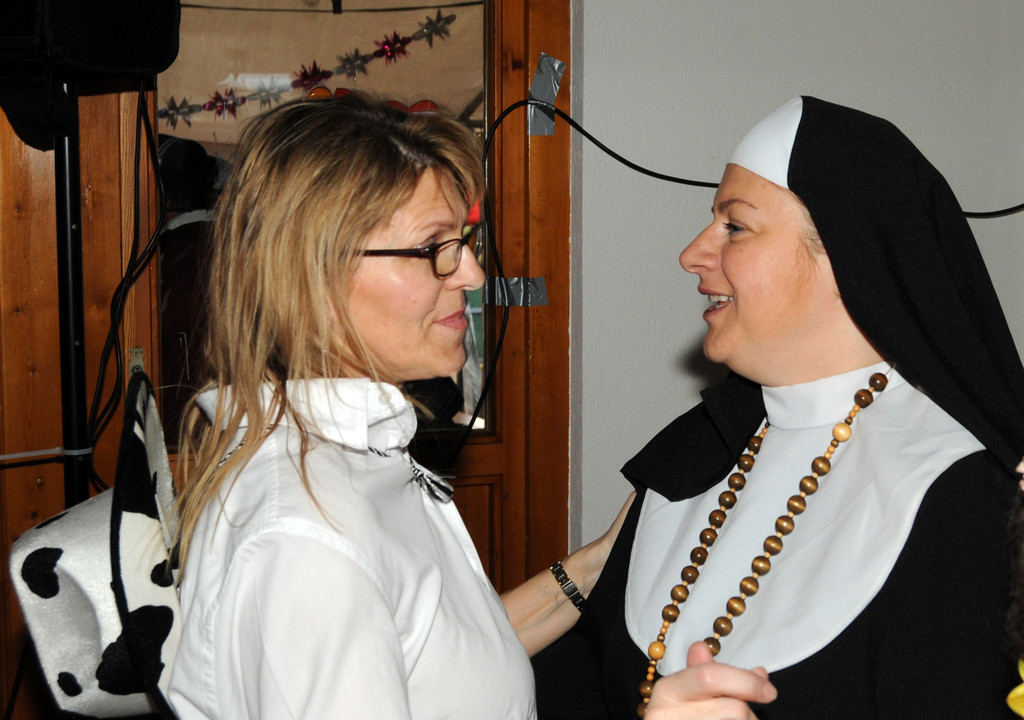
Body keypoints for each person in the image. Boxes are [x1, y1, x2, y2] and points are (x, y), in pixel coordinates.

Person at [533, 96, 1024, 719]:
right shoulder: (698, 449)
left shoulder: (968, 499)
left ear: (844, 254)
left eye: (734, 226)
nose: (692, 253)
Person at [165, 92, 631, 719]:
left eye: (464, 240)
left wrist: (598, 562)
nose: (471, 274)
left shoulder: (353, 455)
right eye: (432, 246)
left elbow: (444, 669)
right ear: (314, 277)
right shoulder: (308, 542)